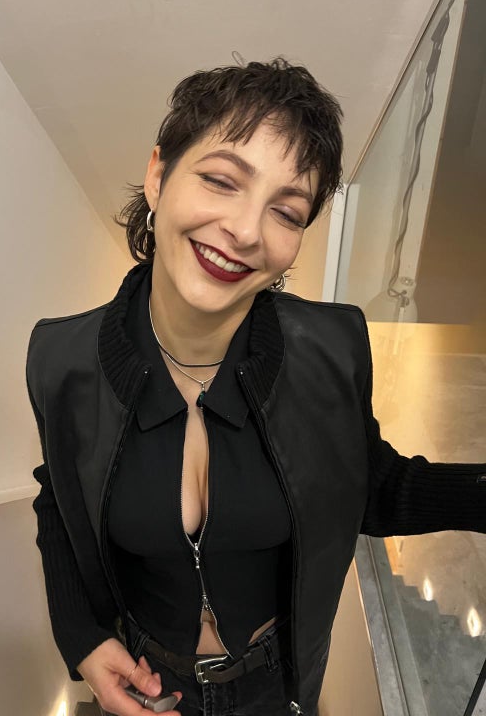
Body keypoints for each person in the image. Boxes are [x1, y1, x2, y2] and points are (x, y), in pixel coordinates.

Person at [25, 57, 486, 716]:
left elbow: (370, 486)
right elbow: (60, 497)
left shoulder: (331, 349)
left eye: (287, 212)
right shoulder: (61, 360)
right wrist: (84, 641)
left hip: (273, 683)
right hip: (149, 680)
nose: (246, 231)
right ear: (158, 175)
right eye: (221, 181)